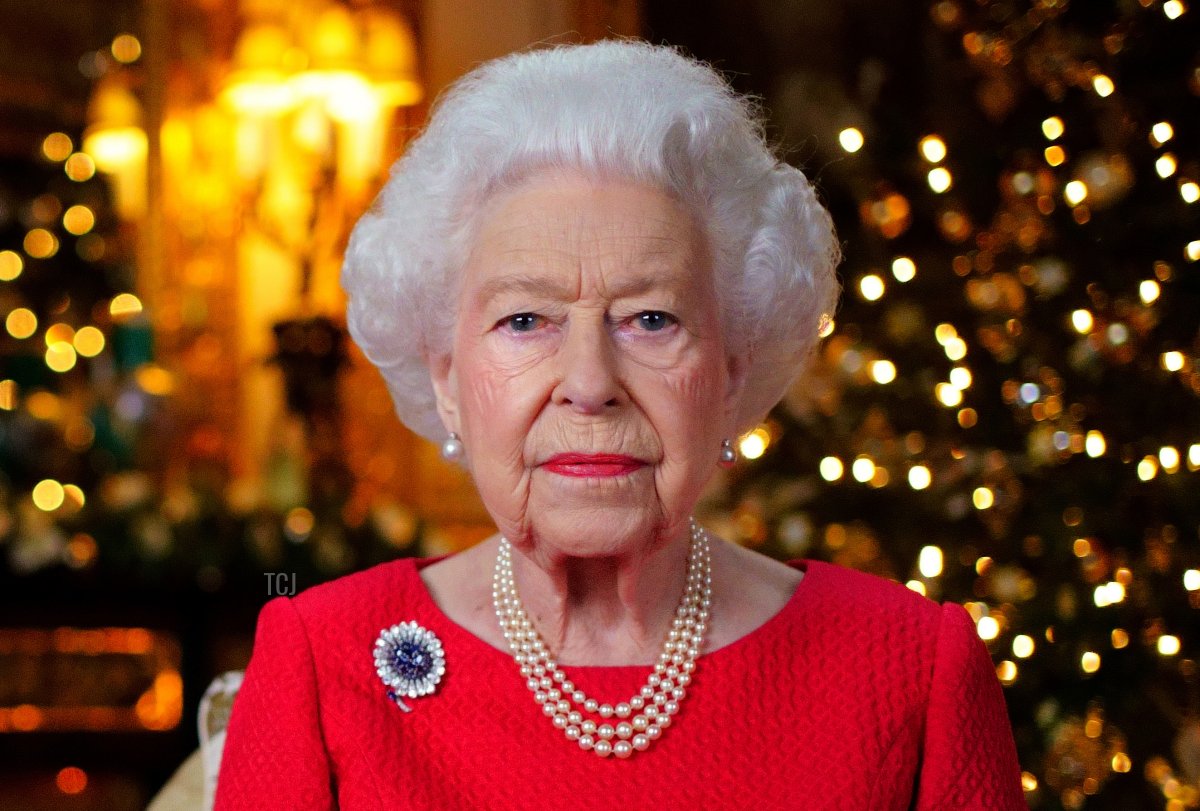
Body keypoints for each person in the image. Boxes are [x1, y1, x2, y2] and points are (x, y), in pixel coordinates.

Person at [214, 38, 1026, 810]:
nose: (591, 384)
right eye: (526, 320)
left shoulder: (910, 668)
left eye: (650, 318)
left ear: (732, 369)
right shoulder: (324, 664)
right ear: (448, 376)